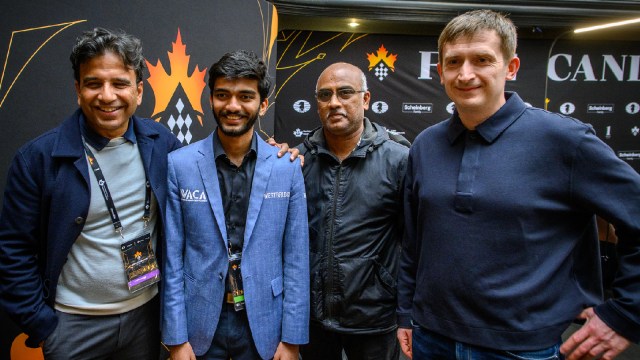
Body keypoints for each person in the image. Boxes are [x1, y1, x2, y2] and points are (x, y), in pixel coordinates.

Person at [397, 9, 640, 360]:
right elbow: (414, 242)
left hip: (524, 348)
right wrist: (406, 312)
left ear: (511, 67)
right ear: (441, 72)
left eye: (482, 60)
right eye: (454, 62)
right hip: (432, 339)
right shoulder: (425, 145)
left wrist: (626, 315)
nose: (465, 74)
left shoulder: (564, 141)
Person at [0, 27, 183, 359]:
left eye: (120, 83)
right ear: (78, 89)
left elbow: (211, 176)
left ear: (139, 91)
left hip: (145, 317)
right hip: (71, 326)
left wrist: (270, 151)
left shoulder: (162, 143)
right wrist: (42, 325)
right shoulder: (38, 159)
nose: (107, 95)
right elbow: (13, 252)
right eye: (94, 83)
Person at [161, 50, 309, 360]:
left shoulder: (287, 168)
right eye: (222, 95)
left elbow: (296, 259)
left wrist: (292, 339)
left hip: (266, 325)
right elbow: (173, 256)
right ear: (211, 100)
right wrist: (175, 338)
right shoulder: (180, 164)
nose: (232, 106)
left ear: (262, 104)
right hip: (199, 324)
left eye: (245, 96)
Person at [296, 62, 409, 360]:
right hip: (312, 317)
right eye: (325, 95)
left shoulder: (399, 160)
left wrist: (407, 313)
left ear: (366, 99)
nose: (334, 102)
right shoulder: (299, 160)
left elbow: (413, 242)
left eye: (345, 93)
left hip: (374, 317)